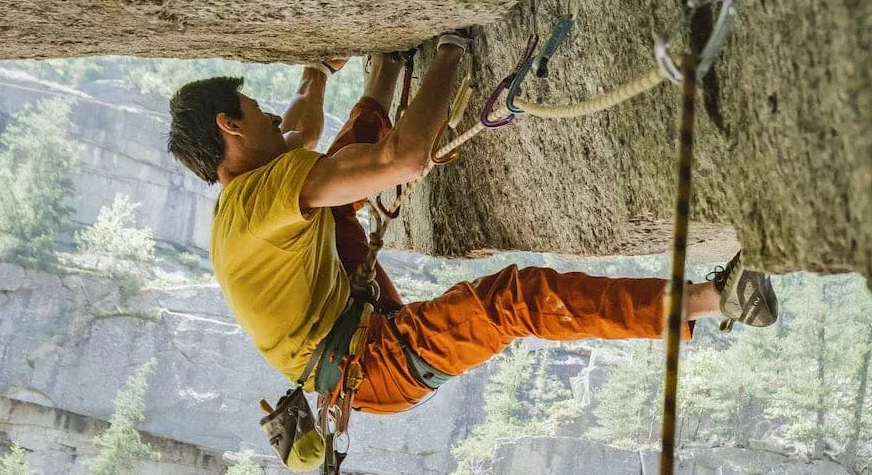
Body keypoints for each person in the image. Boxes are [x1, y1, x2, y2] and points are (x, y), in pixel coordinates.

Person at [166, 35, 777, 415]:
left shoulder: (249, 195)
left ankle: (387, 68)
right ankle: (712, 300)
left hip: (347, 338)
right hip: (369, 366)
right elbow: (399, 160)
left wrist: (322, 72)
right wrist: (451, 53)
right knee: (514, 301)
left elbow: (302, 128)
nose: (271, 112)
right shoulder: (263, 195)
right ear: (230, 127)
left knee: (333, 184)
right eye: (254, 109)